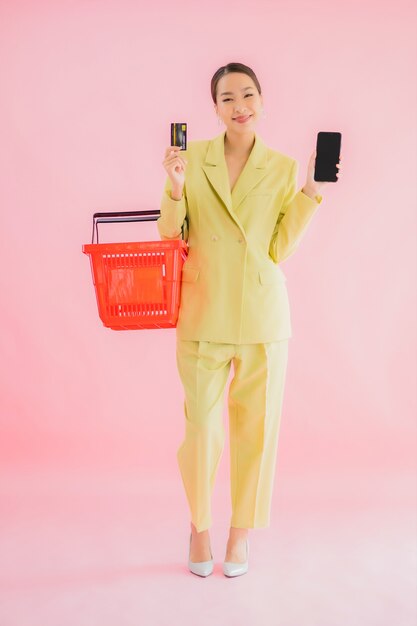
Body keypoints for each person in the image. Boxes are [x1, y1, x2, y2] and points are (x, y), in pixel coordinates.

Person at [158, 62, 342, 577]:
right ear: (214, 108)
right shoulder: (190, 160)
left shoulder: (282, 168)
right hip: (202, 313)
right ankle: (199, 528)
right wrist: (174, 187)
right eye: (227, 98)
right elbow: (171, 236)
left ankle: (239, 536)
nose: (240, 105)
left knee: (256, 433)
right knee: (201, 431)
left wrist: (310, 189)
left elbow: (278, 248)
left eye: (248, 94)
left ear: (262, 99)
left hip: (262, 318)